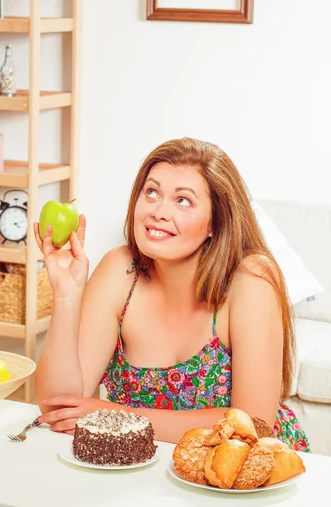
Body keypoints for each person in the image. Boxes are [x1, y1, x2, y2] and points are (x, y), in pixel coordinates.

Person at [34, 137, 310, 451]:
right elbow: (58, 408)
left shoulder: (251, 279)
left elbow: (253, 425)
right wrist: (67, 296)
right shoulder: (119, 269)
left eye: (183, 201)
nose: (158, 212)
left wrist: (118, 416)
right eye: (151, 193)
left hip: (242, 473)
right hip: (147, 464)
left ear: (214, 223)